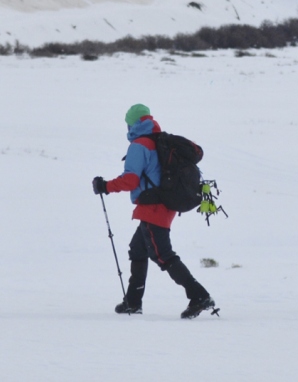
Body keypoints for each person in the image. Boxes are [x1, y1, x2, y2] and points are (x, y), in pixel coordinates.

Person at [92, 104, 216, 319]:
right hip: (163, 205)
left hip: (153, 208)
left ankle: (199, 296)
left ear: (132, 124)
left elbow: (131, 180)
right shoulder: (159, 141)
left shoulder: (139, 145)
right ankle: (132, 302)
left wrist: (105, 186)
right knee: (138, 249)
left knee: (162, 255)